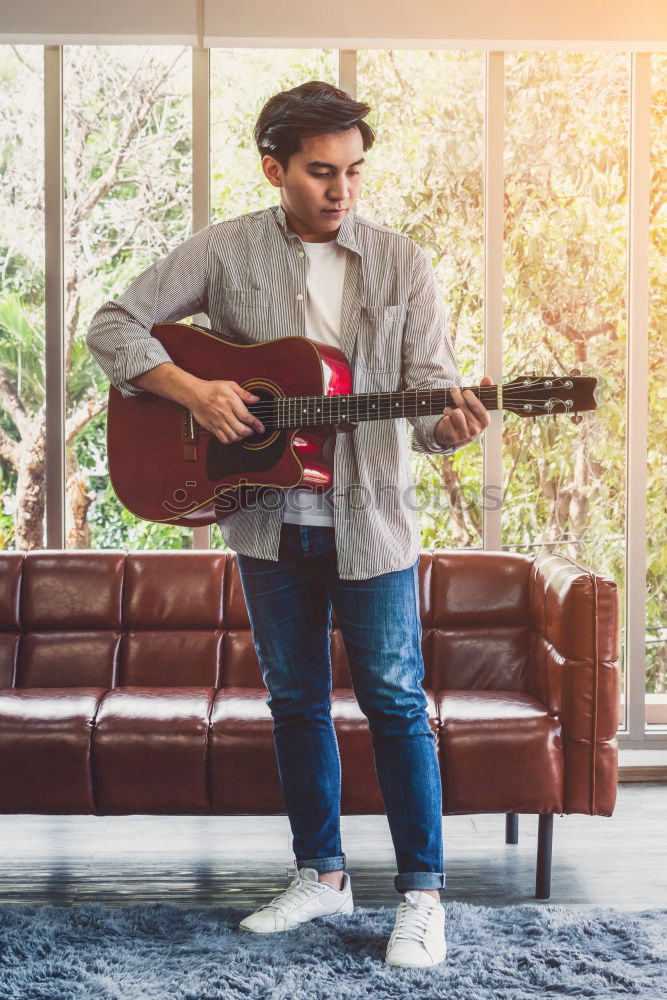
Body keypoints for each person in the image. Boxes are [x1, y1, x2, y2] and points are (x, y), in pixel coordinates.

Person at [86, 80, 492, 969]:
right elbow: (112, 323)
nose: (340, 189)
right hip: (266, 522)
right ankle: (321, 873)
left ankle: (422, 897)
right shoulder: (225, 252)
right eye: (318, 171)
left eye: (352, 170)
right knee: (295, 701)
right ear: (274, 168)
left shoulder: (401, 264)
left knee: (393, 702)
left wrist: (450, 426)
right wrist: (193, 389)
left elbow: (426, 406)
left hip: (371, 523)